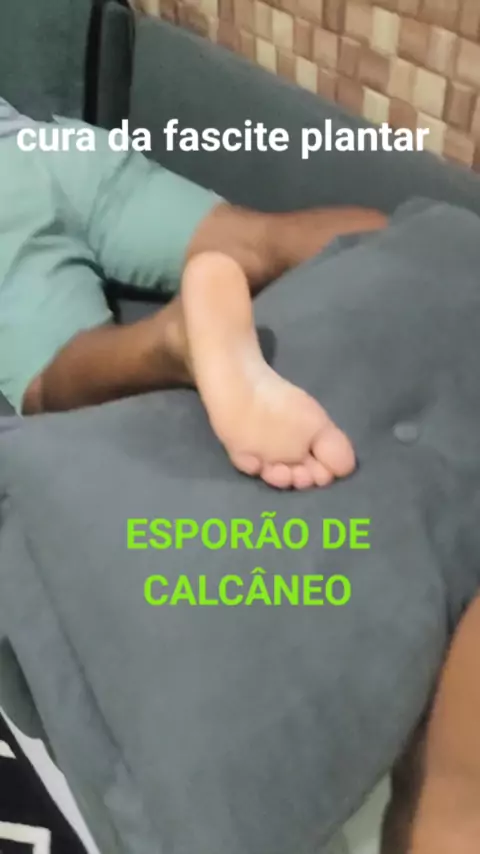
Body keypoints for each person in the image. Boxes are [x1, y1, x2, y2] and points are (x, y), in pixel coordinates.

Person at [1, 98, 479, 853]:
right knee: (264, 237)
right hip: (48, 144)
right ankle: (407, 259)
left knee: (52, 380)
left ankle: (170, 340)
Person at [0, 97, 387, 490]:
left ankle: (173, 337)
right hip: (58, 150)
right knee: (260, 239)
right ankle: (405, 241)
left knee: (45, 387)